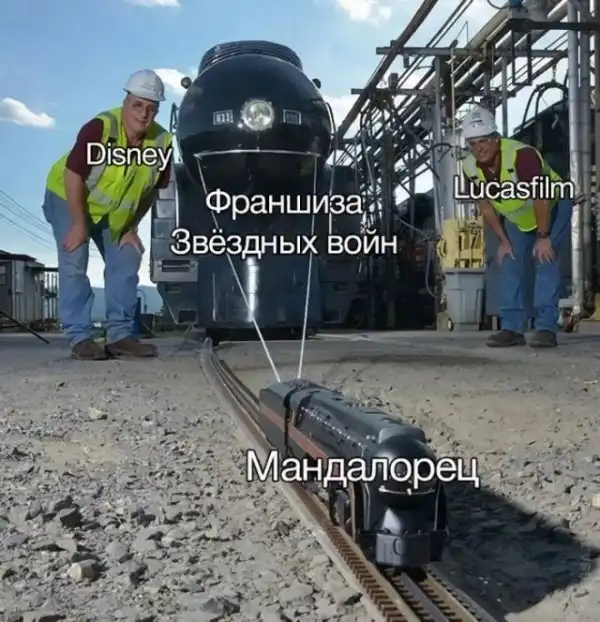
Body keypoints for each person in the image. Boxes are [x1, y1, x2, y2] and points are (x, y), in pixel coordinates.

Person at [43, 70, 173, 360]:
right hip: (67, 196)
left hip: (112, 213)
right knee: (75, 257)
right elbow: (73, 175)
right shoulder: (100, 128)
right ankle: (80, 337)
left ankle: (121, 336)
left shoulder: (162, 142)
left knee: (127, 256)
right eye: (138, 105)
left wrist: (131, 227)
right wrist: (79, 224)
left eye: (151, 108)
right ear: (125, 102)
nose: (143, 114)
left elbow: (153, 191)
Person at [460, 105, 573, 348]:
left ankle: (545, 328)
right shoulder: (469, 167)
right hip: (519, 218)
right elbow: (486, 207)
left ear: (496, 138)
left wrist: (544, 236)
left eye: (483, 140)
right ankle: (512, 328)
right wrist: (503, 240)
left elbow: (541, 198)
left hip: (553, 206)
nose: (478, 148)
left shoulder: (522, 156)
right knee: (511, 264)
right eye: (472, 143)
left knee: (545, 260)